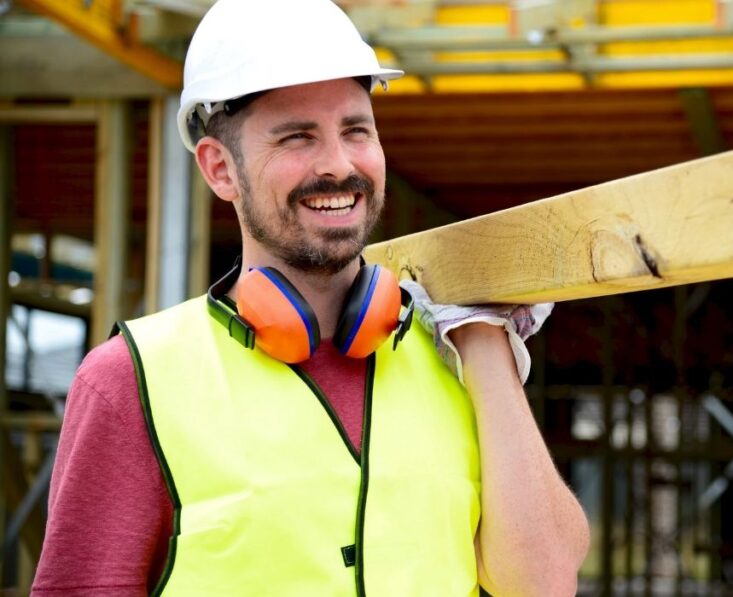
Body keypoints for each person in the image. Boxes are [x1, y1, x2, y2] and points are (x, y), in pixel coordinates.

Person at [32, 0, 590, 594]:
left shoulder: (453, 358)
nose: (338, 164)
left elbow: (545, 583)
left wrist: (485, 347)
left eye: (356, 130)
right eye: (297, 137)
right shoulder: (133, 380)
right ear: (220, 169)